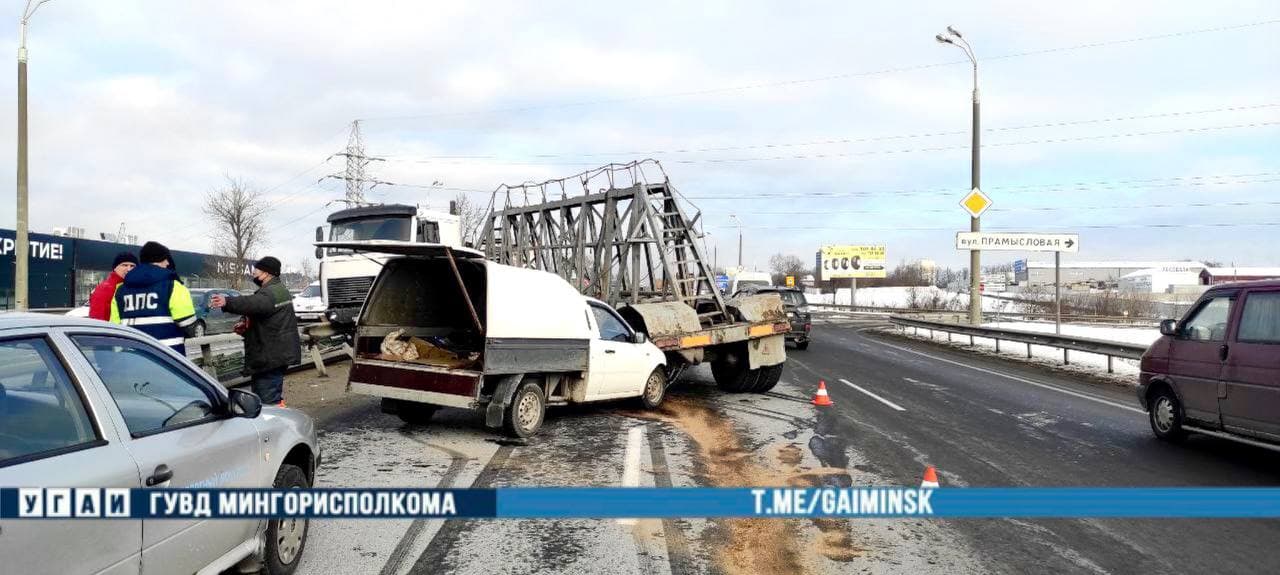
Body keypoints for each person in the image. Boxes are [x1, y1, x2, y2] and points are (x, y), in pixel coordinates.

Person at [210, 256, 300, 406]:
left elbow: (253, 304)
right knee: (268, 397)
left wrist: (227, 301)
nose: (253, 272)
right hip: (274, 353)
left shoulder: (271, 293)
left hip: (270, 356)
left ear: (267, 273)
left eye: (257, 269)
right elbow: (266, 317)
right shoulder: (278, 290)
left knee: (267, 401)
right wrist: (246, 327)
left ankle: (275, 425)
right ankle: (276, 417)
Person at [110, 241, 199, 355]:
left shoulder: (120, 291)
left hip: (132, 359)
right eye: (164, 259)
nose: (167, 263)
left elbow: (115, 328)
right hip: (168, 359)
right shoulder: (173, 286)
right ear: (157, 260)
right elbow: (190, 327)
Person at [88, 252, 137, 320]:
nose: (129, 269)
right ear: (115, 268)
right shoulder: (105, 289)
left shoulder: (137, 287)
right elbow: (97, 319)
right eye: (124, 265)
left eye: (132, 266)